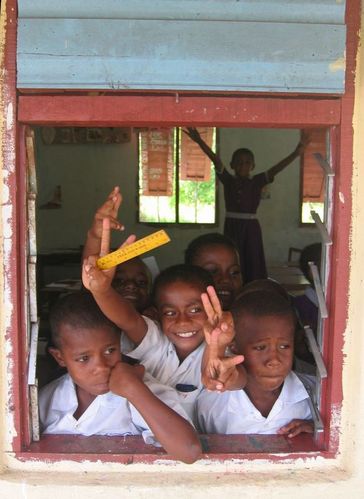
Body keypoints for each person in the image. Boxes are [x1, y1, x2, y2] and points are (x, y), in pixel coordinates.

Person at [82, 220, 245, 420]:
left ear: (212, 308)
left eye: (195, 309)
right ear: (157, 315)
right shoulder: (156, 342)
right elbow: (128, 319)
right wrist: (102, 290)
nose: (183, 321)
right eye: (170, 313)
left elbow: (239, 378)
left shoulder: (217, 346)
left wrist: (223, 371)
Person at [39, 291, 201, 464]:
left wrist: (134, 390)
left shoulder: (142, 389)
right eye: (84, 359)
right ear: (60, 357)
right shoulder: (47, 399)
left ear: (120, 344)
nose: (101, 367)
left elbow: (189, 451)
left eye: (110, 351)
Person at [184, 128, 308, 283]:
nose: (243, 165)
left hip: (251, 227)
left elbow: (277, 168)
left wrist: (296, 153)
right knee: (231, 257)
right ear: (232, 165)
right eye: (239, 162)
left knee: (252, 258)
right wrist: (200, 141)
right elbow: (215, 159)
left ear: (253, 165)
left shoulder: (257, 181)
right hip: (232, 226)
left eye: (247, 162)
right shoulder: (228, 180)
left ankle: (255, 288)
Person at [197, 289, 315, 437]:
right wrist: (218, 347)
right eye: (260, 347)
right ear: (233, 345)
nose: (274, 360)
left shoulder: (316, 394)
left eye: (284, 346)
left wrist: (317, 429)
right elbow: (229, 379)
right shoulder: (213, 404)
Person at [185, 232, 243, 311]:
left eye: (234, 272)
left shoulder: (250, 319)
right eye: (212, 271)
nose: (226, 279)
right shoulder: (181, 321)